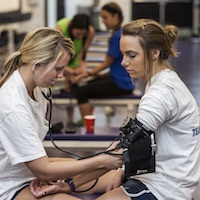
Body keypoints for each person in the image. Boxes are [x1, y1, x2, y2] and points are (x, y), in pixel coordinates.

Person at [31, 19, 200, 200]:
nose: (123, 62)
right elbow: (131, 146)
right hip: (154, 173)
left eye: (131, 55)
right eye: (123, 55)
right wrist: (123, 169)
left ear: (154, 53)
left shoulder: (161, 93)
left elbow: (118, 152)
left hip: (166, 189)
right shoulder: (162, 80)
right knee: (62, 166)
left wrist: (68, 185)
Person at [0, 27, 123, 200]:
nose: (61, 75)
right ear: (37, 64)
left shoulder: (37, 88)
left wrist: (105, 162)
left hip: (32, 171)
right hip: (11, 184)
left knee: (115, 176)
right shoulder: (13, 107)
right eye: (58, 69)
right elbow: (43, 171)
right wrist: (103, 160)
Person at [74, 2, 134, 121]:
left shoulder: (118, 36)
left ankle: (87, 126)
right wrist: (99, 75)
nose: (102, 21)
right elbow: (116, 66)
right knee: (89, 84)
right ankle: (87, 119)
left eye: (105, 17)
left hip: (121, 85)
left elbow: (107, 63)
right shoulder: (119, 33)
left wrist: (88, 74)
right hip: (121, 81)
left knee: (81, 91)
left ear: (116, 16)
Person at [56, 13, 95, 133]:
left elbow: (83, 55)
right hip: (59, 59)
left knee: (77, 87)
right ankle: (65, 120)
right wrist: (68, 71)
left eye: (82, 34)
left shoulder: (90, 32)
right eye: (77, 34)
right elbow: (55, 57)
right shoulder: (60, 29)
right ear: (71, 28)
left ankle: (76, 120)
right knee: (65, 87)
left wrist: (82, 71)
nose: (80, 36)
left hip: (74, 60)